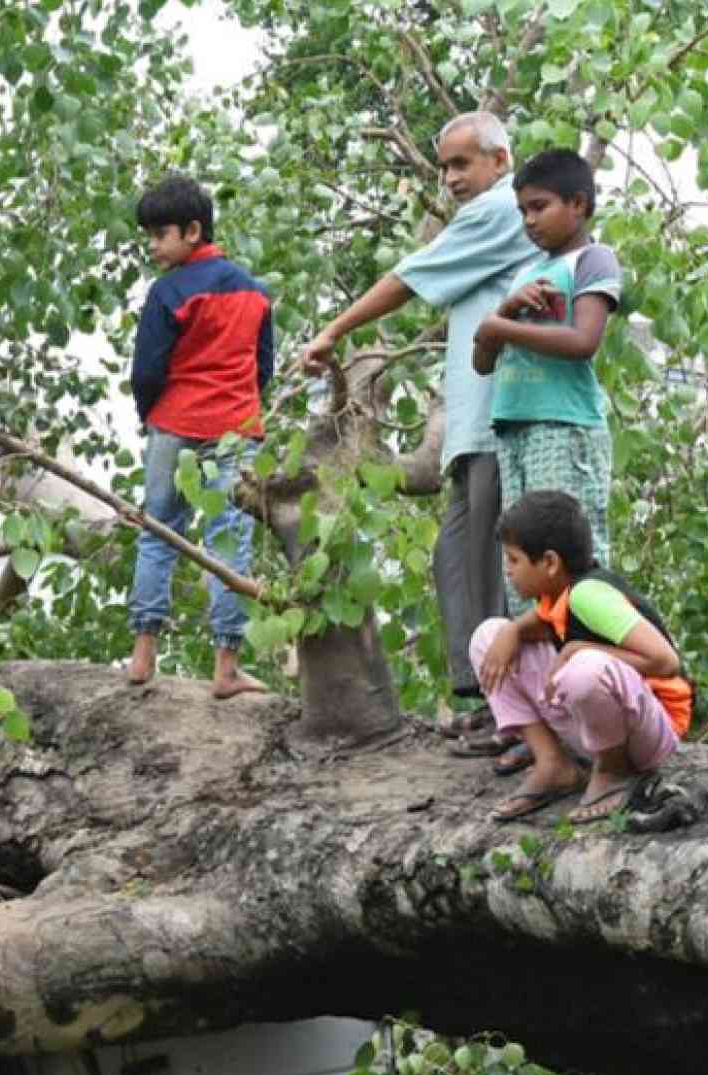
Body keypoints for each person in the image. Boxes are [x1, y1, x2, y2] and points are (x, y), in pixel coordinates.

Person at [300, 111, 540, 746]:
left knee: (491, 565)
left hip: (496, 421)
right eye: (443, 167)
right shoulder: (489, 216)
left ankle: (512, 713)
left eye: (462, 163)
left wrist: (335, 330)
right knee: (454, 557)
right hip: (470, 426)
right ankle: (488, 699)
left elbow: (410, 277)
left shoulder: (498, 211)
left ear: (500, 160)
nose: (451, 178)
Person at [125, 174, 273, 699]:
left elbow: (147, 370)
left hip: (173, 422)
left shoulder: (167, 292)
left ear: (192, 231)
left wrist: (151, 415)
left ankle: (143, 655)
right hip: (235, 427)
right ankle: (227, 666)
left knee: (158, 530)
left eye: (159, 235)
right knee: (229, 540)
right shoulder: (255, 293)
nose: (152, 246)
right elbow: (263, 367)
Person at [470, 491, 690, 824]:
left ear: (550, 563)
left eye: (513, 560)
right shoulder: (556, 594)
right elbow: (542, 623)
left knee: (584, 667)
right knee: (490, 637)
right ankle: (553, 763)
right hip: (600, 728)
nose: (508, 571)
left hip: (651, 731)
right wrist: (511, 632)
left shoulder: (589, 595)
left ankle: (615, 772)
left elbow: (666, 661)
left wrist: (582, 649)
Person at [472, 147, 622, 574]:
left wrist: (501, 327)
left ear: (577, 204)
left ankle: (582, 639)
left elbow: (583, 340)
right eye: (523, 211)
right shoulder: (526, 273)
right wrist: (502, 314)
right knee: (522, 556)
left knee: (567, 551)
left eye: (539, 207)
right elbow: (483, 359)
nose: (530, 221)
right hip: (513, 427)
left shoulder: (592, 259)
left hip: (562, 425)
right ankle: (536, 640)